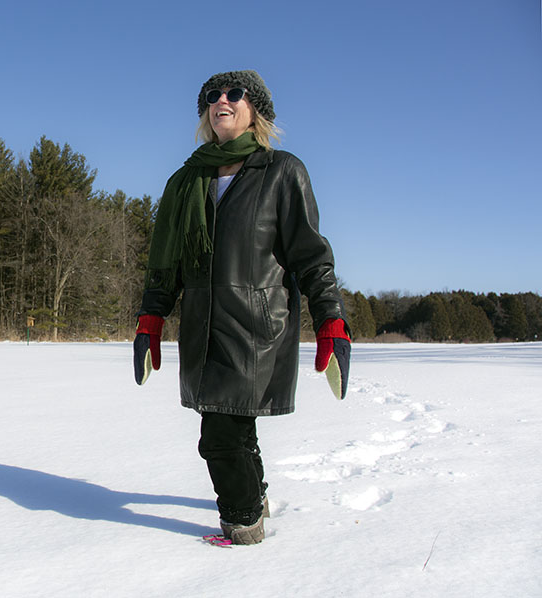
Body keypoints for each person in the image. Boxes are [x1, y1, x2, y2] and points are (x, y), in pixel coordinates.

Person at [133, 70, 351, 545]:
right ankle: (257, 499)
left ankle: (243, 524)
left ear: (257, 111)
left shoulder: (281, 171)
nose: (221, 101)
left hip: (256, 327)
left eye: (234, 94)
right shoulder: (186, 180)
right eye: (212, 96)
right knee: (235, 423)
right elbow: (165, 263)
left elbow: (311, 254)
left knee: (219, 437)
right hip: (202, 327)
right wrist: (151, 317)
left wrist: (331, 318)